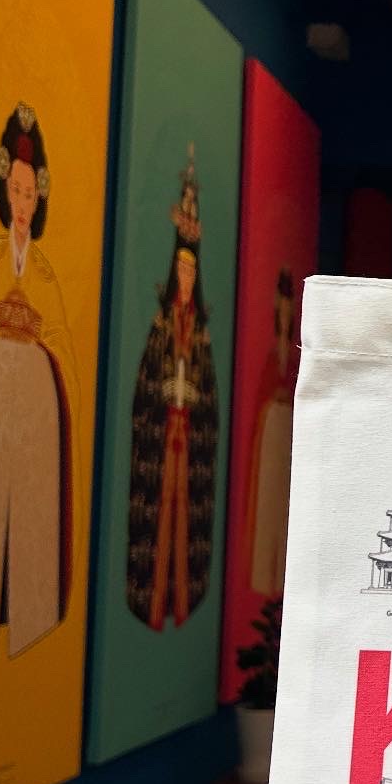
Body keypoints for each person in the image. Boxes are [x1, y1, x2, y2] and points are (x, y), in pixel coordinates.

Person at [0, 104, 79, 658]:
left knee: (30, 509)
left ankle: (27, 614)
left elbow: (63, 352)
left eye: (29, 194)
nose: (21, 202)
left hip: (31, 408)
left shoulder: (44, 273)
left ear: (40, 200)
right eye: (14, 190)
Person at [127, 148, 220, 630]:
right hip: (162, 439)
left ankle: (182, 604)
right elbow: (145, 383)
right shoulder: (162, 327)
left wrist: (195, 402)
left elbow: (211, 396)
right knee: (159, 519)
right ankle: (153, 604)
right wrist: (161, 397)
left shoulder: (199, 332)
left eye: (191, 272)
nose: (185, 279)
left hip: (187, 437)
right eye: (180, 271)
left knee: (185, 520)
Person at [243, 267, 297, 595]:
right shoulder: (270, 356)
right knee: (267, 508)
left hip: (288, 434)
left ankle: (281, 579)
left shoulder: (294, 356)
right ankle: (264, 578)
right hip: (271, 433)